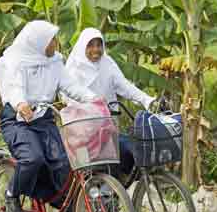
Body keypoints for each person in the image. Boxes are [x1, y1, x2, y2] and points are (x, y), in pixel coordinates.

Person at [0, 20, 97, 212]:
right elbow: (14, 87)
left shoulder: (55, 62)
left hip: (43, 119)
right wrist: (21, 103)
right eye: (51, 41)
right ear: (38, 43)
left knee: (62, 163)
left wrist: (94, 99)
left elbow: (71, 86)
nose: (55, 44)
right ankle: (11, 196)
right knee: (32, 158)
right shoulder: (15, 61)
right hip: (18, 121)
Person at [65, 27, 155, 182]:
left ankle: (119, 195)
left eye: (99, 45)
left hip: (107, 127)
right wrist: (92, 107)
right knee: (87, 173)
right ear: (82, 47)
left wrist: (147, 100)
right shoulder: (74, 67)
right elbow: (69, 96)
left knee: (130, 152)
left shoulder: (107, 63)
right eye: (91, 45)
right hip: (83, 131)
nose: (96, 50)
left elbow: (125, 86)